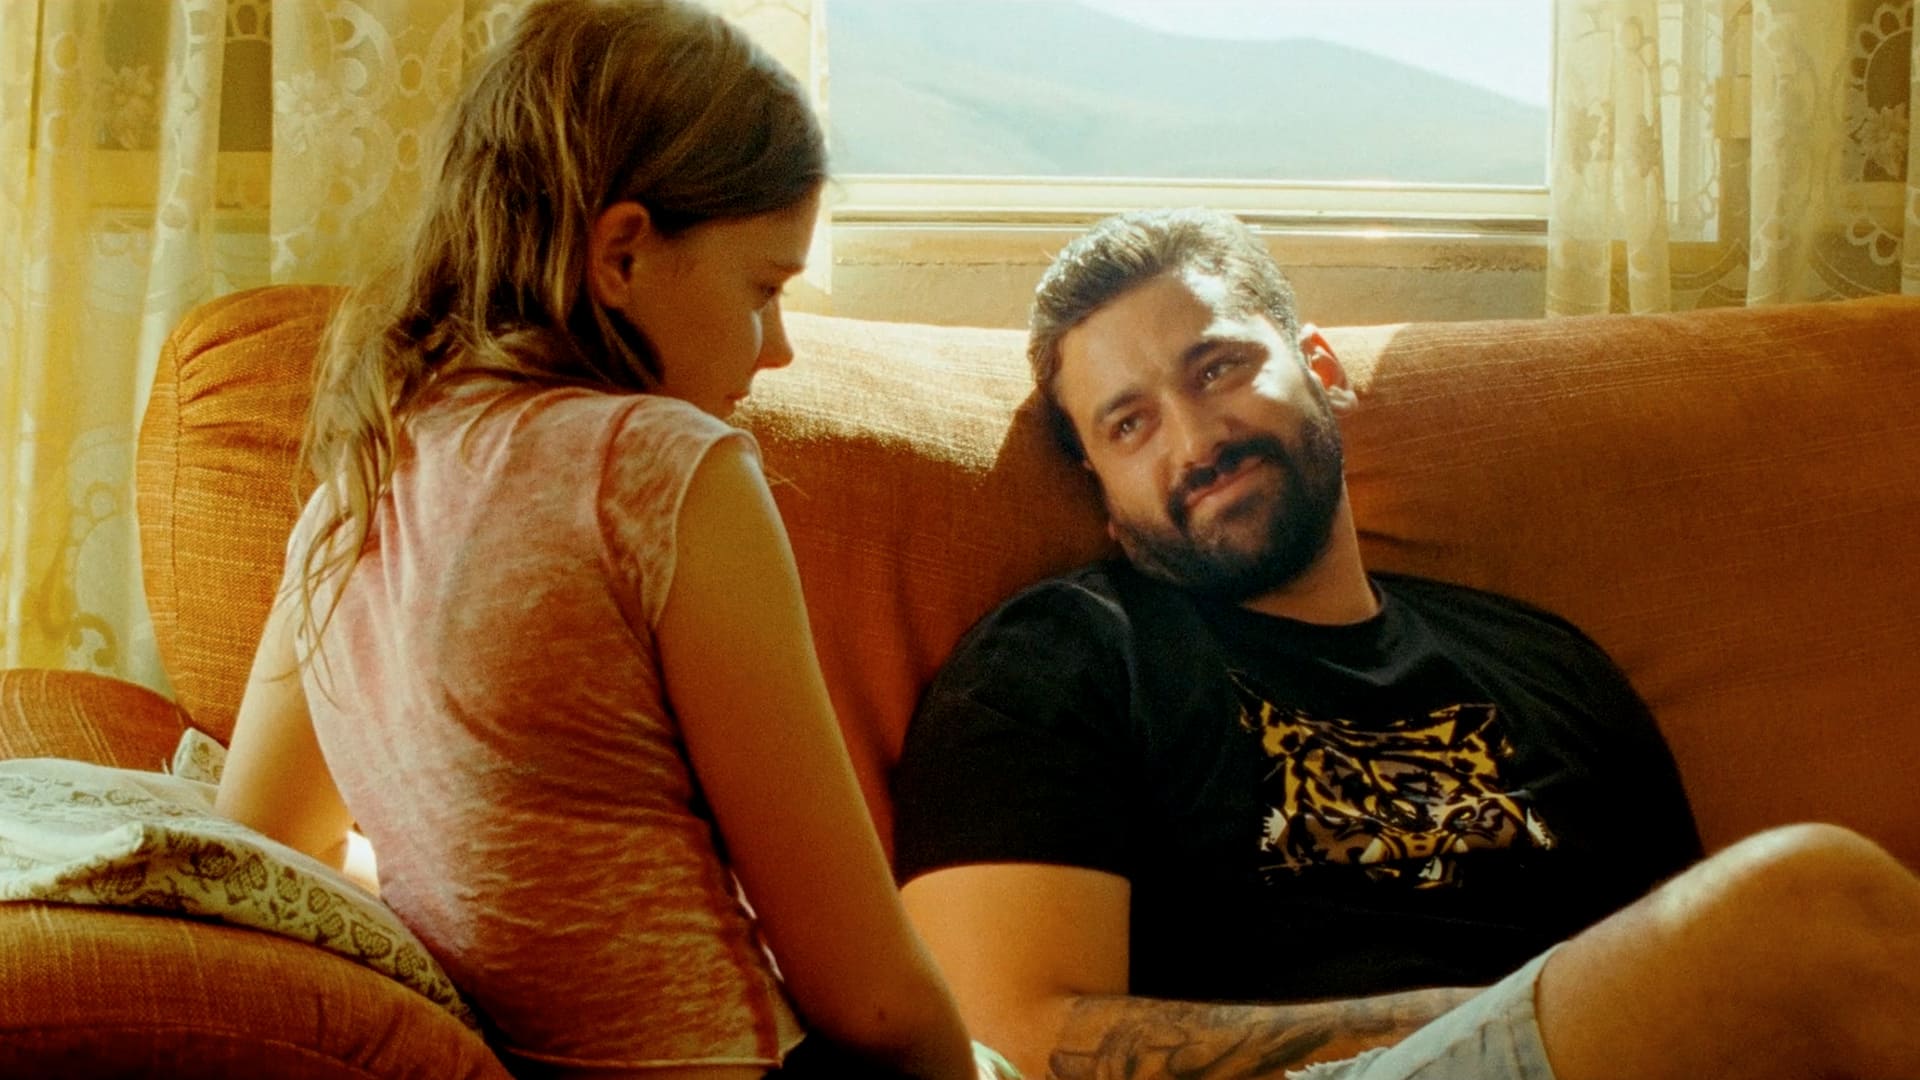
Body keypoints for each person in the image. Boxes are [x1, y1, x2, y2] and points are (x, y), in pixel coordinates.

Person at [891, 207, 1920, 1080]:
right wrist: (1504, 1010)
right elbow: (1001, 1035)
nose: (1196, 441)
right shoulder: (1060, 659)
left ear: (1321, 368)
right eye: (1130, 425)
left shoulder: (1544, 661)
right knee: (1807, 899)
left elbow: (1693, 984)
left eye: (1219, 368)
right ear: (1102, 493)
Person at [213, 3, 983, 1077]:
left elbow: (266, 838)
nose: (778, 349)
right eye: (764, 288)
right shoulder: (663, 470)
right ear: (622, 253)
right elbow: (873, 997)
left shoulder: (360, 481)